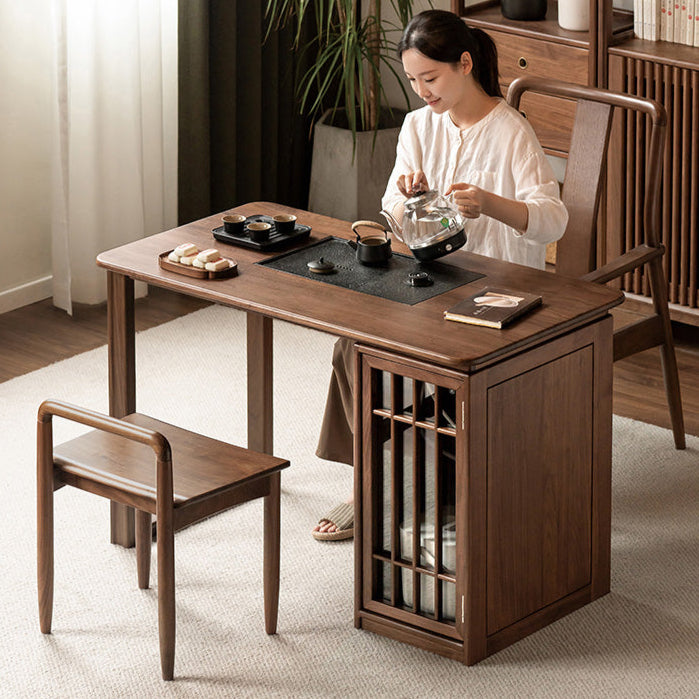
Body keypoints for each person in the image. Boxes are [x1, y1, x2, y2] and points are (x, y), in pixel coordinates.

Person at [312, 9, 568, 540]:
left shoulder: (511, 132)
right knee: (351, 346)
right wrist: (409, 197)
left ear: (464, 63)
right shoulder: (417, 126)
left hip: (498, 291)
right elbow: (390, 212)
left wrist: (492, 205)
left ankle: (424, 493)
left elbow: (553, 220)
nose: (421, 91)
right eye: (412, 80)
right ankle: (370, 483)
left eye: (430, 78)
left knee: (427, 365)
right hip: (431, 278)